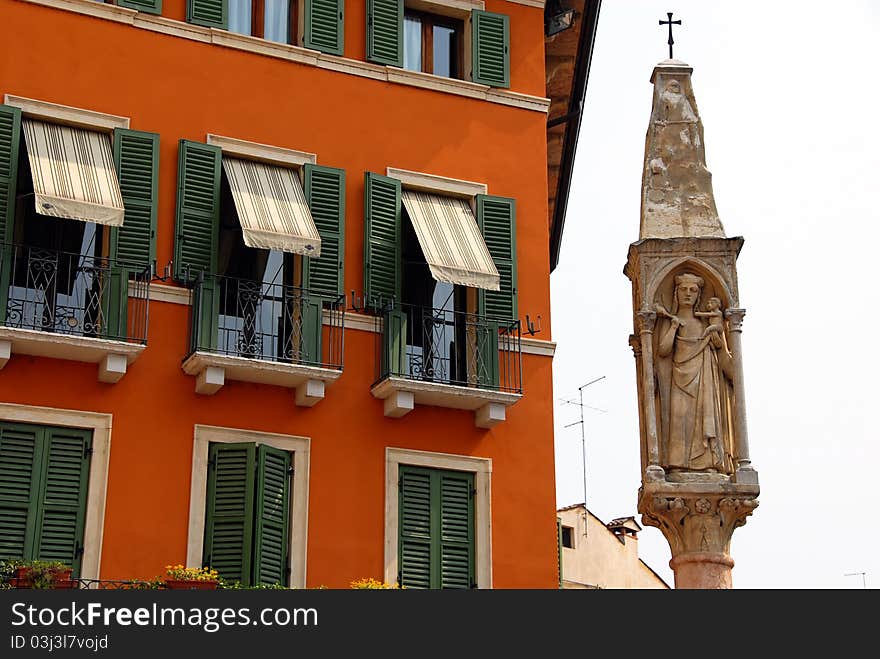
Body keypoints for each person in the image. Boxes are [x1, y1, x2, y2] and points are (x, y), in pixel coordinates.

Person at [654, 273, 734, 475]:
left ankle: (706, 463)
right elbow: (663, 350)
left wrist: (717, 339)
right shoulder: (672, 321)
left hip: (703, 377)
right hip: (679, 380)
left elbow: (721, 352)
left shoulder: (703, 323)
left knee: (702, 420)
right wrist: (673, 326)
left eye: (693, 290)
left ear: (699, 295)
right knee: (680, 419)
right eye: (683, 289)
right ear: (676, 292)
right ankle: (678, 464)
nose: (687, 294)